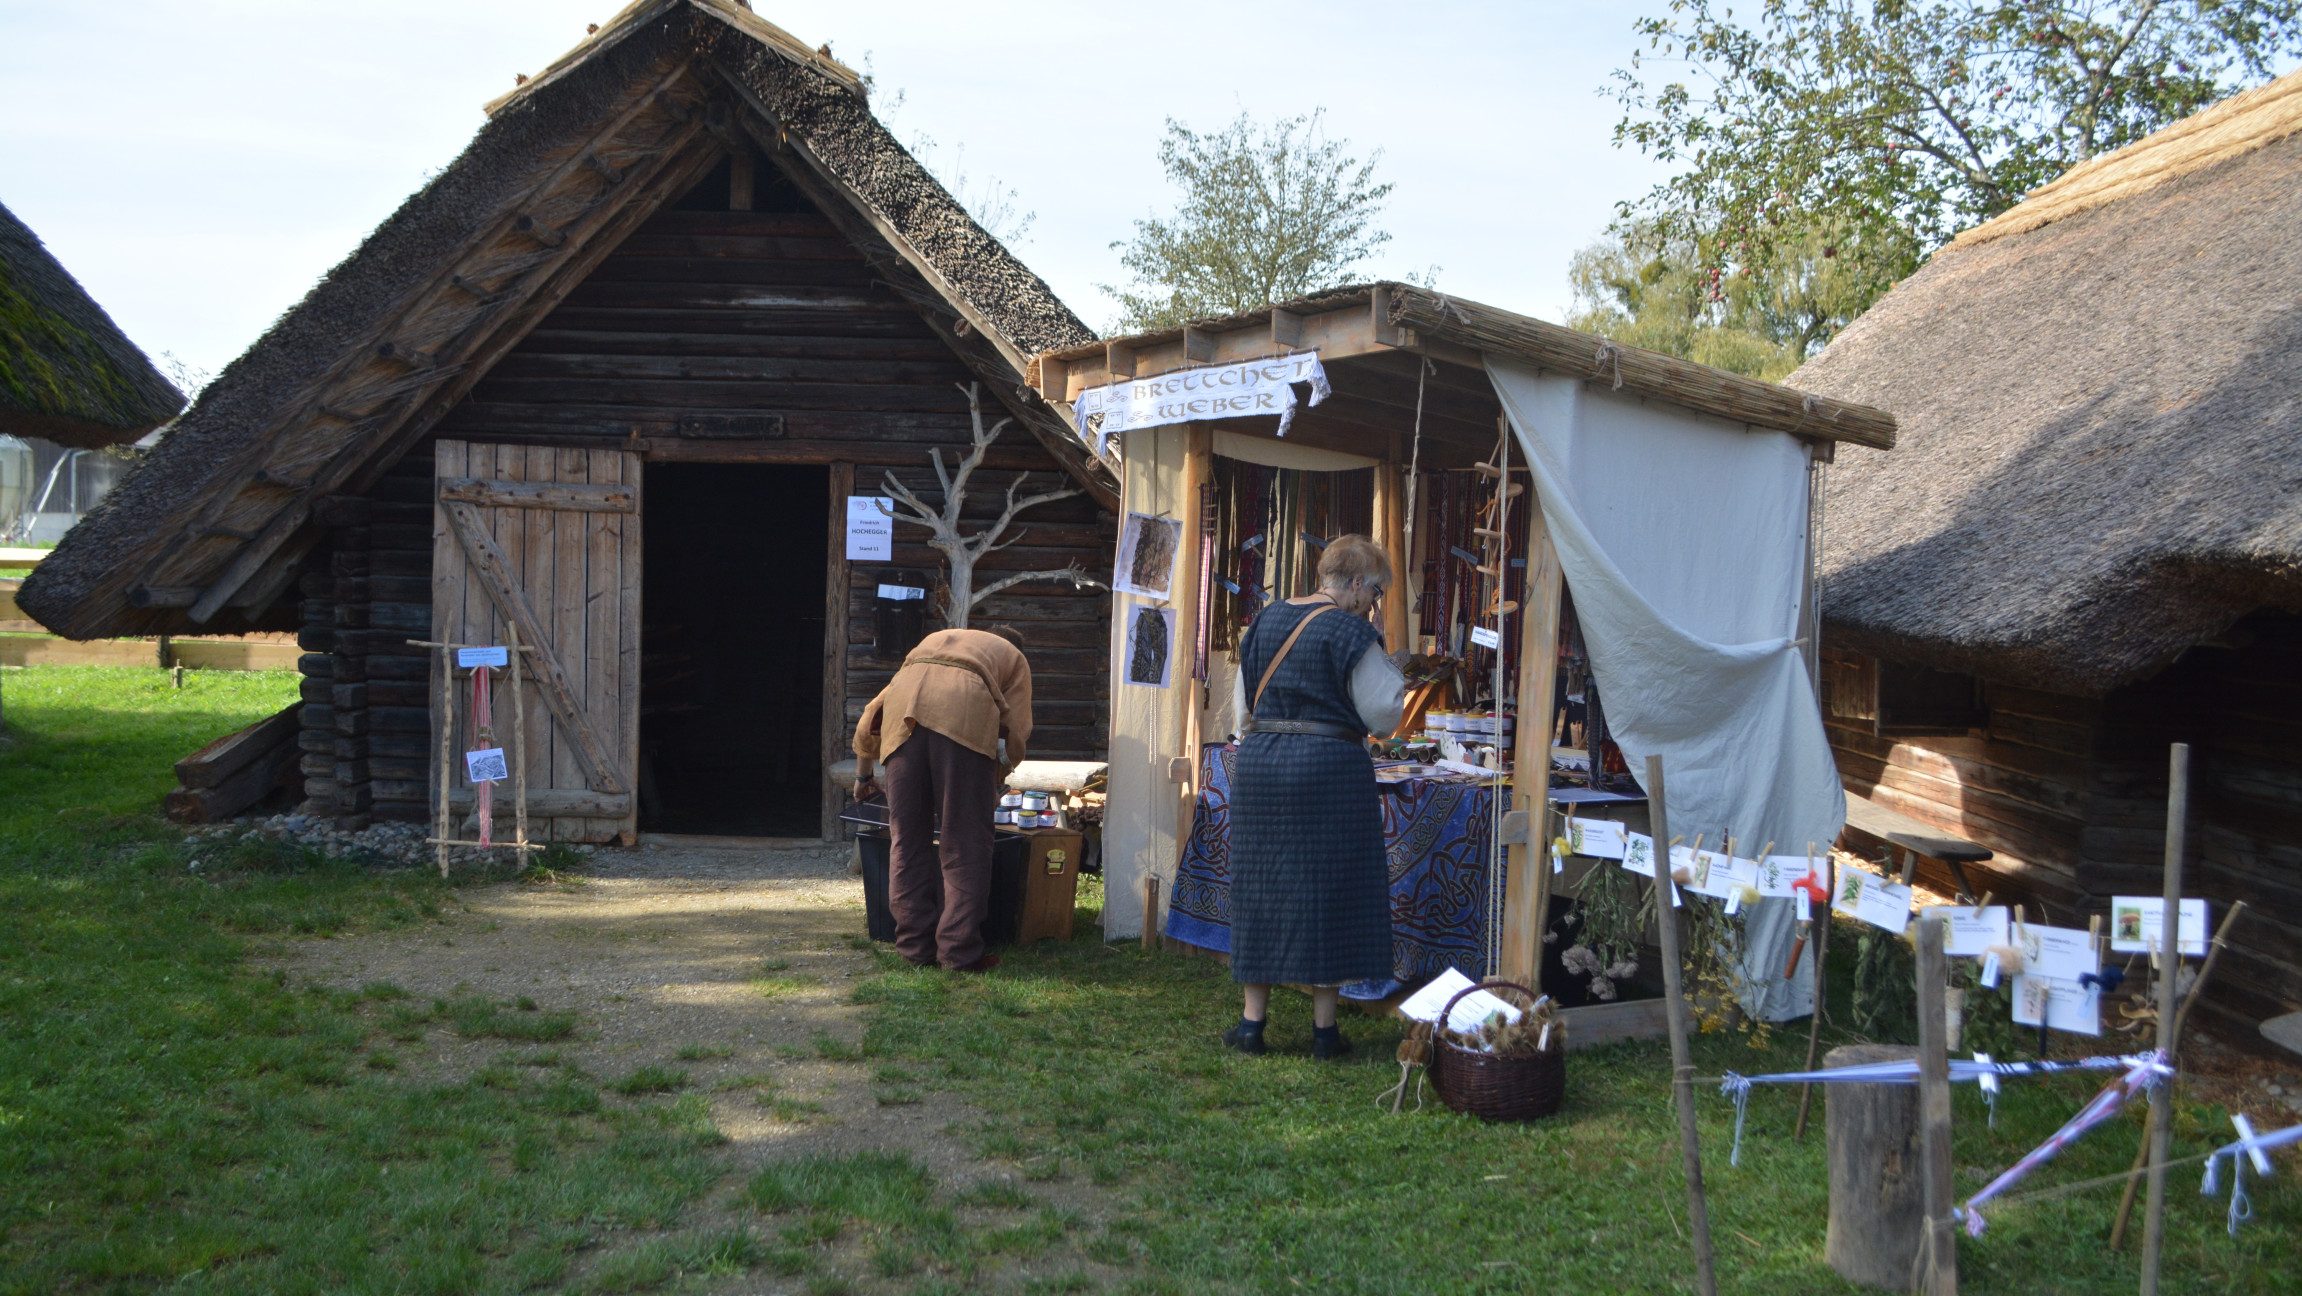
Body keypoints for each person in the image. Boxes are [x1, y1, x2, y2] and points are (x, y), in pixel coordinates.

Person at [1222, 535, 1406, 1058]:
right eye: (1373, 592)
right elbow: (1383, 715)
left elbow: (1242, 711)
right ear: (1352, 584)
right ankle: (1324, 1034)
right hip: (1328, 771)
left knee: (1262, 892)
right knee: (1329, 895)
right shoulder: (1352, 631)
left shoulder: (1266, 619)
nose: (1372, 604)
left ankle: (1251, 1027)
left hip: (1261, 768)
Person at [853, 625, 1032, 973]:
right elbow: (1016, 731)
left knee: (906, 839)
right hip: (963, 708)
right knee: (965, 842)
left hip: (902, 710)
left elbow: (871, 714)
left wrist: (863, 776)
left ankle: (913, 948)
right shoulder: (1013, 657)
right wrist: (995, 781)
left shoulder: (940, 644)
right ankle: (957, 953)